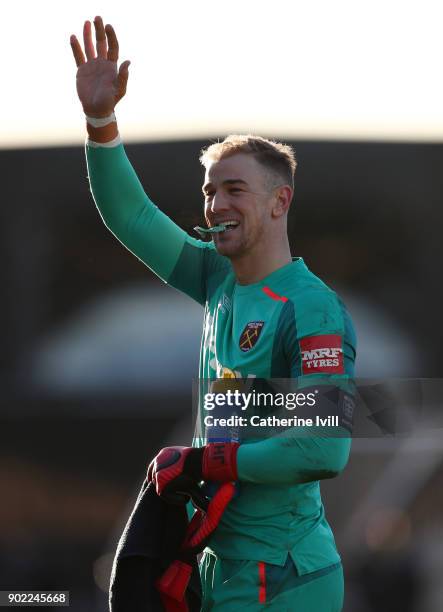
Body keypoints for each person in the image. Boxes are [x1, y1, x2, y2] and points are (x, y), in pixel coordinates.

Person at [70, 16, 357, 611]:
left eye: (234, 190)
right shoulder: (215, 278)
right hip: (216, 567)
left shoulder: (311, 307)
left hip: (284, 580)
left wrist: (206, 461)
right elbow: (131, 217)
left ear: (281, 201)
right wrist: (101, 121)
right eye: (209, 191)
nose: (216, 203)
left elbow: (321, 449)